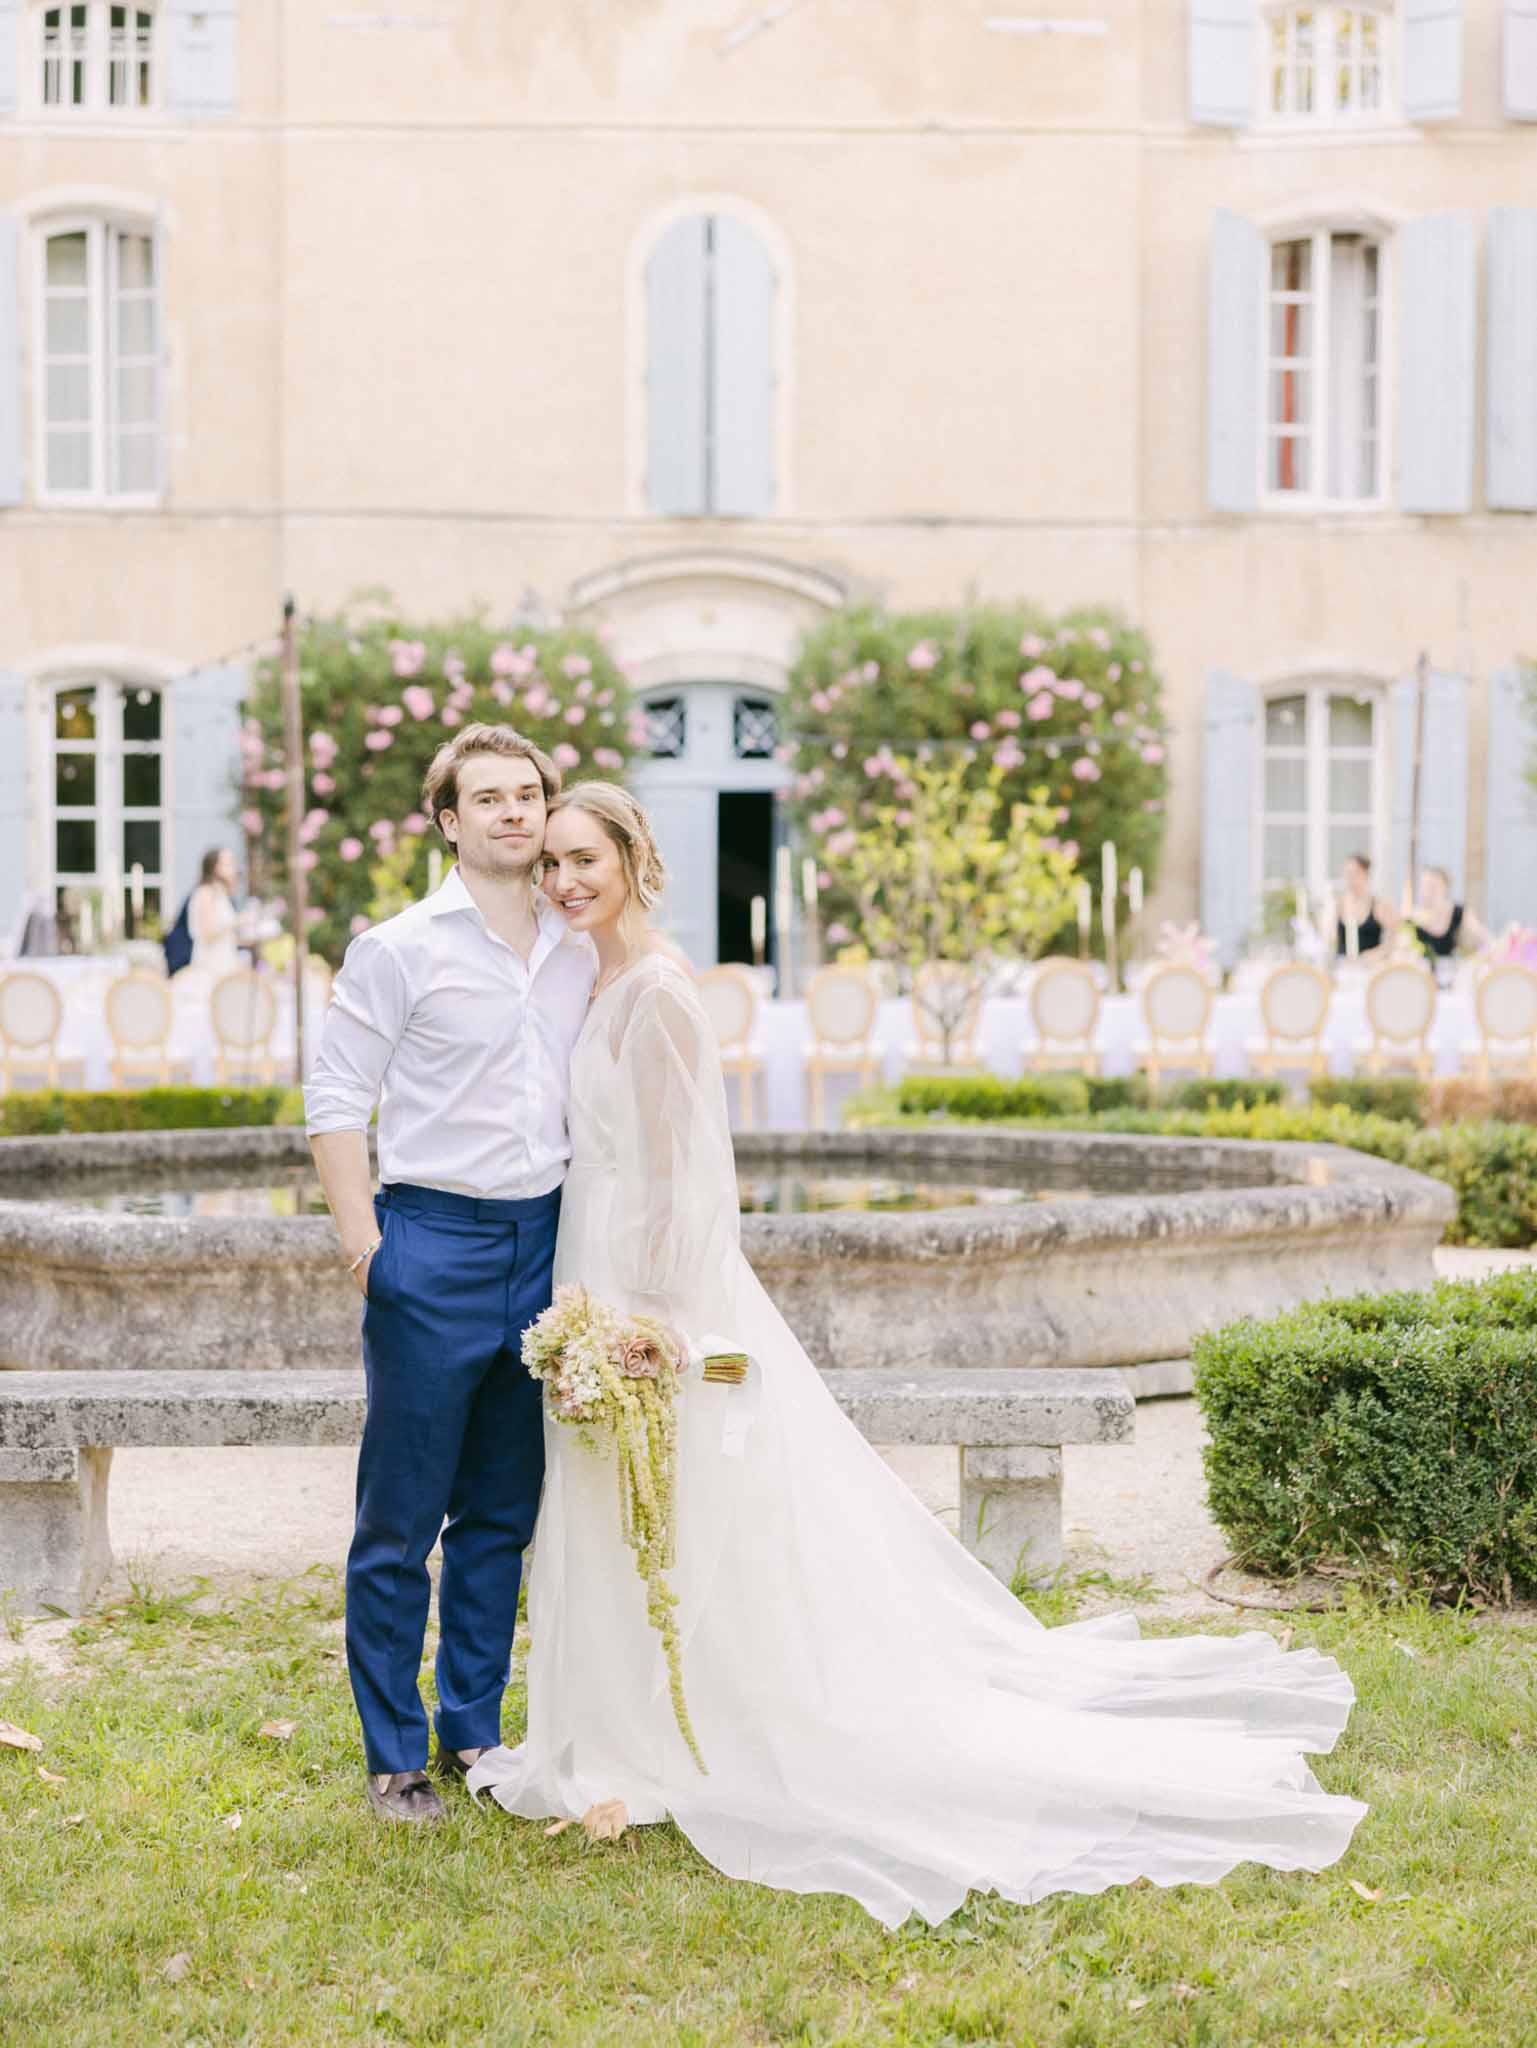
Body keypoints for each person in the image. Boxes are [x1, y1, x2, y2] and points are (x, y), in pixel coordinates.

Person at [467, 784, 1366, 1927]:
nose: (562, 880)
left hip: (651, 1292)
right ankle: (612, 1728)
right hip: (584, 1265)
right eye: (548, 863)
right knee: (611, 1501)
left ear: (634, 857)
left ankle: (696, 1727)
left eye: (582, 857)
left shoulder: (656, 994)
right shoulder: (584, 978)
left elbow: (680, 1178)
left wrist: (653, 1323)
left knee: (687, 1499)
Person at [304, 725, 594, 1823]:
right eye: (489, 797)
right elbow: (336, 1097)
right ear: (448, 818)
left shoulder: (578, 946)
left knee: (499, 1515)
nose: (514, 813)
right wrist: (365, 1248)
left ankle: (472, 1727)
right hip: (428, 1241)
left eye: (528, 794)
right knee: (399, 1521)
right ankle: (393, 1755)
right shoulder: (400, 946)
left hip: (546, 1244)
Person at [1412, 865, 1488, 963]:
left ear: (1446, 888)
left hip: (1449, 972)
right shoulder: (1413, 917)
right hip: (1421, 974)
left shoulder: (1458, 911)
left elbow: (1482, 935)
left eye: (1433, 887)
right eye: (1424, 886)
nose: (1427, 892)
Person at [186, 847, 243, 974]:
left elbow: (225, 936)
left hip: (225, 962)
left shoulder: (221, 894)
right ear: (216, 867)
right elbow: (207, 933)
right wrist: (238, 921)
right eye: (229, 863)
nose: (234, 867)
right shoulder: (205, 893)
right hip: (211, 964)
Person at [1334, 852, 1396, 960]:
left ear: (1366, 874)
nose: (1349, 878)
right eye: (1346, 873)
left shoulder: (1378, 905)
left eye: (1354, 873)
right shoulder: (1338, 904)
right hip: (1343, 967)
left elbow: (1393, 940)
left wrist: (1377, 954)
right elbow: (1330, 939)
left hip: (1370, 968)